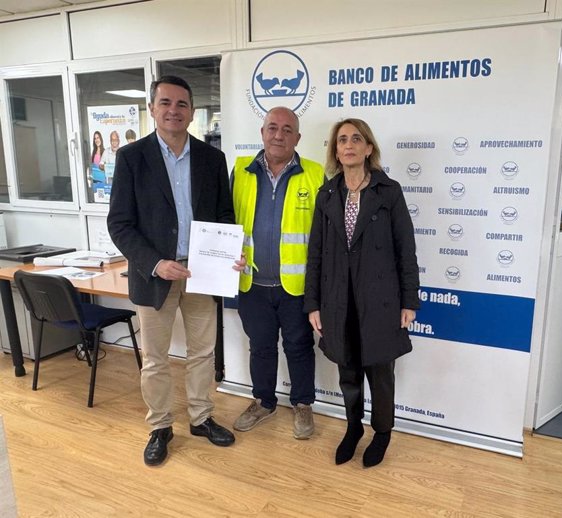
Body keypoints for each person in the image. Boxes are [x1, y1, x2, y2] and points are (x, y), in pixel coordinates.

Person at [107, 75, 235, 467]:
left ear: (192, 112)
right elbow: (120, 224)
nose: (173, 110)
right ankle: (160, 426)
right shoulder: (131, 158)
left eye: (181, 104)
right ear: (152, 109)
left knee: (202, 352)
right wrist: (155, 263)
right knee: (156, 358)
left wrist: (230, 251)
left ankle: (200, 417)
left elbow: (225, 217)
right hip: (154, 275)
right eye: (165, 103)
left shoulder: (212, 158)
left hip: (201, 273)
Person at [304, 118, 420, 467]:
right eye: (342, 140)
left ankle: (381, 433)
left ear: (369, 148)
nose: (349, 145)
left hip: (381, 301)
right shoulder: (327, 194)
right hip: (339, 301)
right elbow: (316, 253)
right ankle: (353, 428)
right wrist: (313, 303)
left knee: (380, 374)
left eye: (357, 139)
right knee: (348, 373)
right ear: (335, 150)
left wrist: (409, 301)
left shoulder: (389, 191)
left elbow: (406, 248)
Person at [230, 106, 324, 440]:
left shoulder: (314, 174)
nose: (279, 135)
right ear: (262, 132)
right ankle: (263, 401)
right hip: (252, 281)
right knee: (261, 346)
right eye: (272, 127)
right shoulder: (241, 170)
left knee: (299, 347)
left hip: (296, 286)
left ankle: (303, 404)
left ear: (298, 137)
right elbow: (225, 222)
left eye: (287, 130)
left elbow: (324, 236)